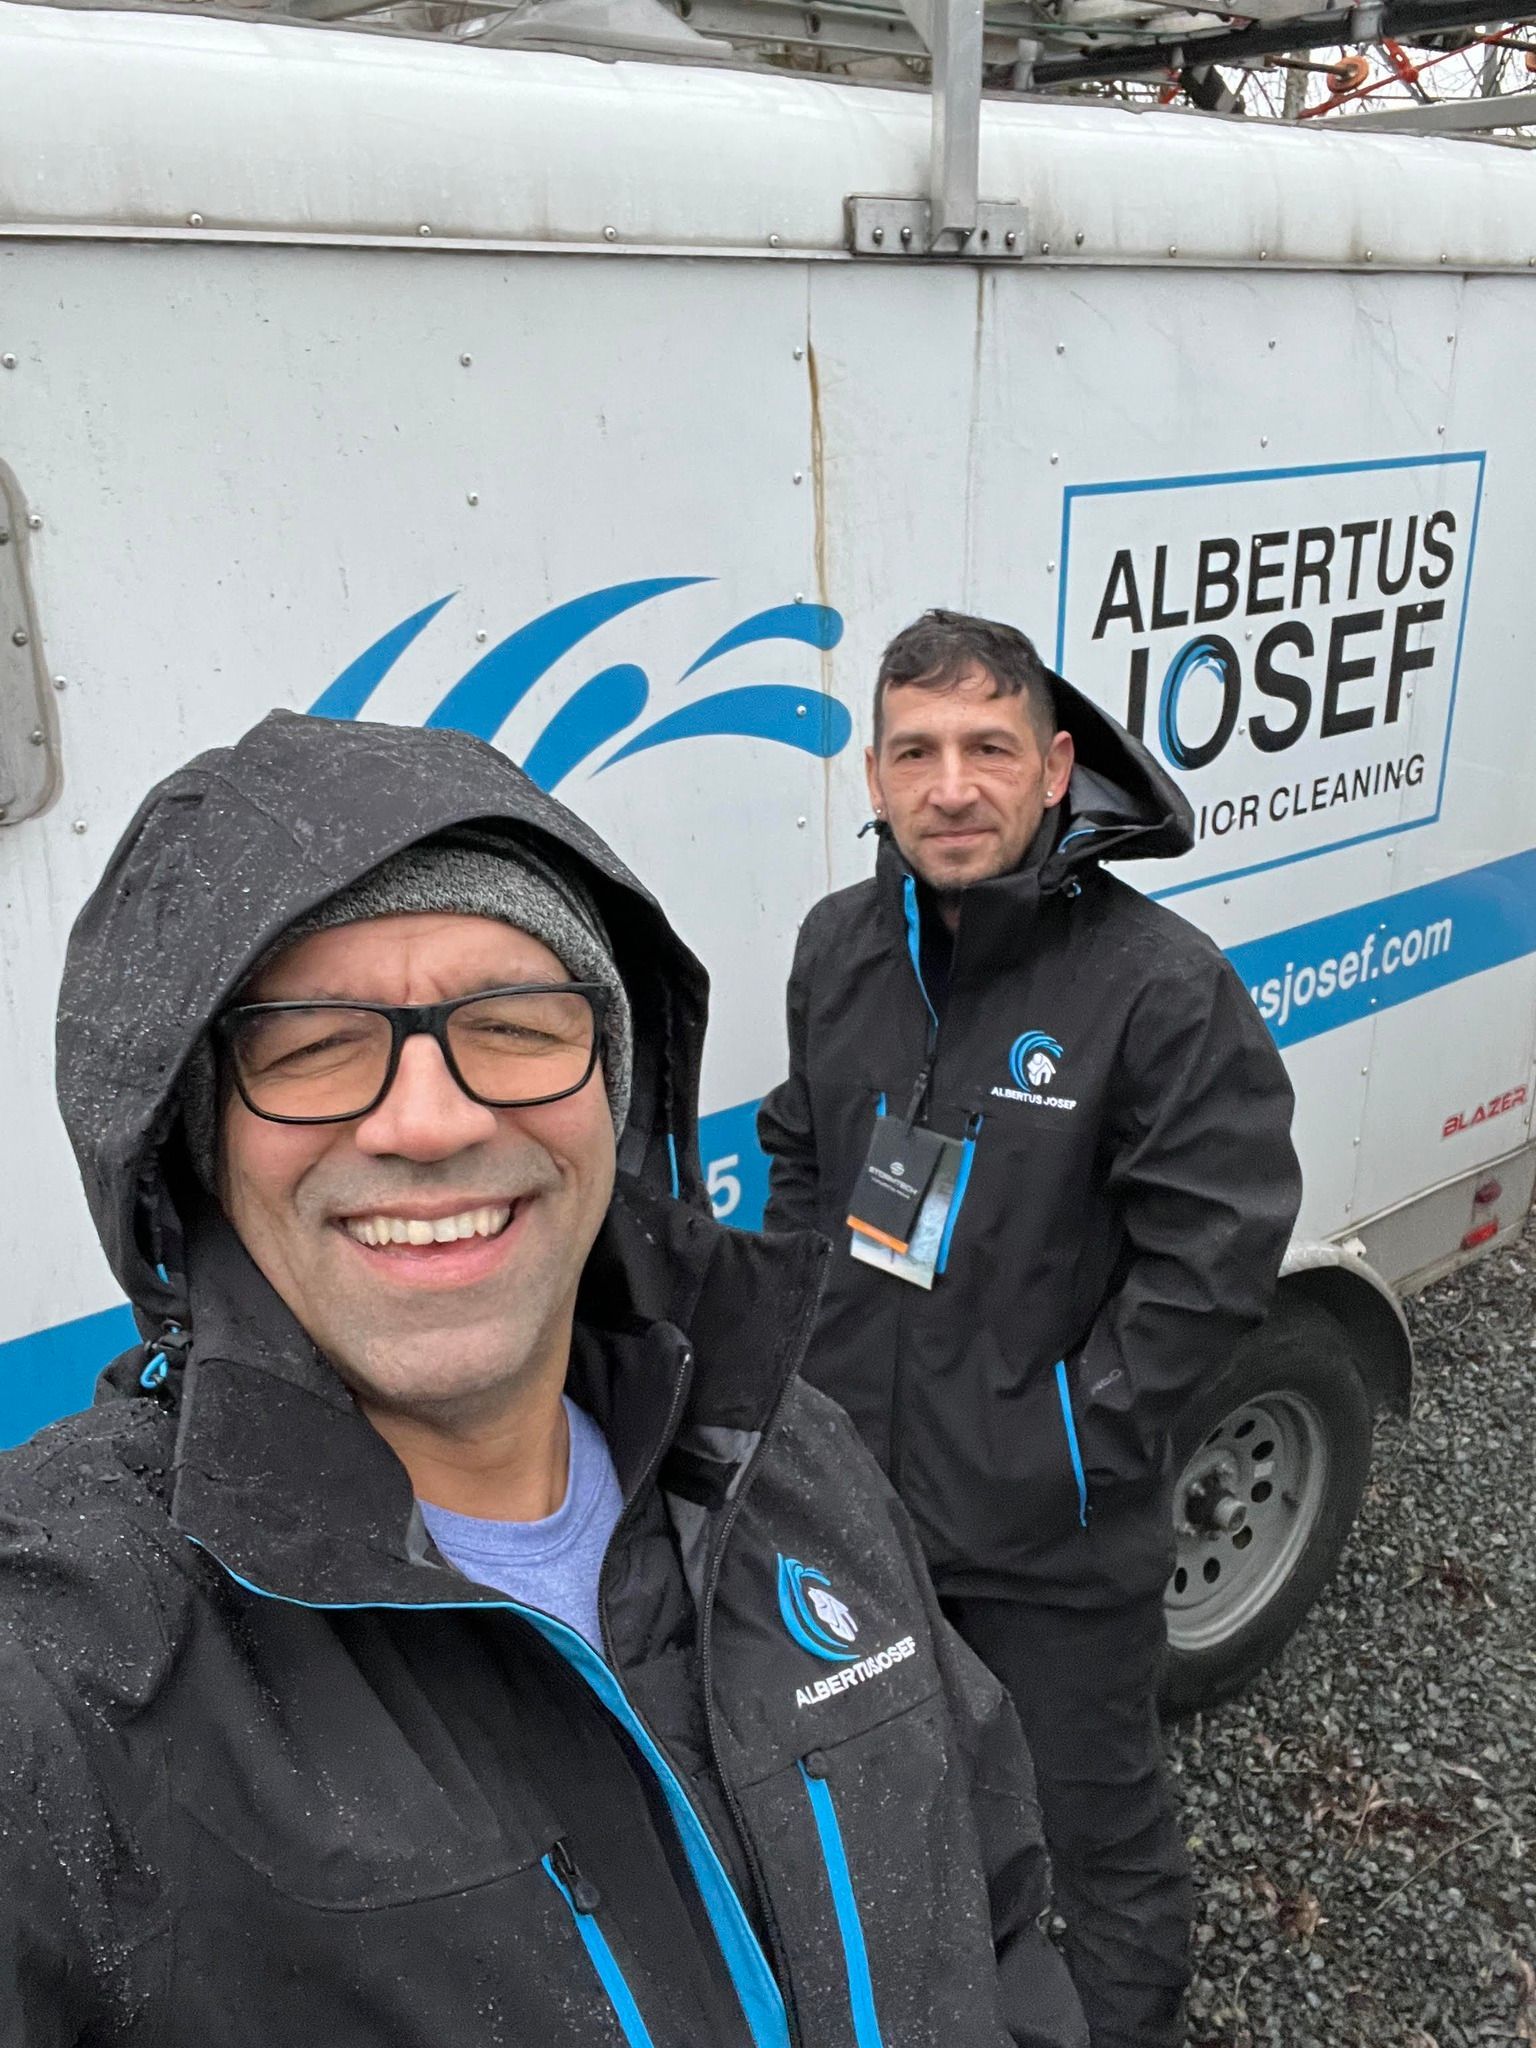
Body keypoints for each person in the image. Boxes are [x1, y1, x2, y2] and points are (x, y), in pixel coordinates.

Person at [0, 707, 1087, 2048]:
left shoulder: (781, 1459)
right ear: (197, 1151)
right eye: (313, 1046)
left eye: (514, 1024)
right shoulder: (76, 1659)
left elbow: (995, 1912)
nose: (434, 1118)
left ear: (612, 1098)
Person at [758, 610, 1303, 2048]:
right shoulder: (839, 948)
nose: (952, 786)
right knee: (912, 1796)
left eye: (989, 748)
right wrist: (802, 1376)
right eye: (917, 752)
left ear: (1056, 768)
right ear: (873, 777)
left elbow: (1218, 1250)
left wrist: (1063, 1446)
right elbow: (804, 1152)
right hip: (861, 1509)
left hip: (1053, 1541)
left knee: (1092, 1842)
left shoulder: (1157, 986)